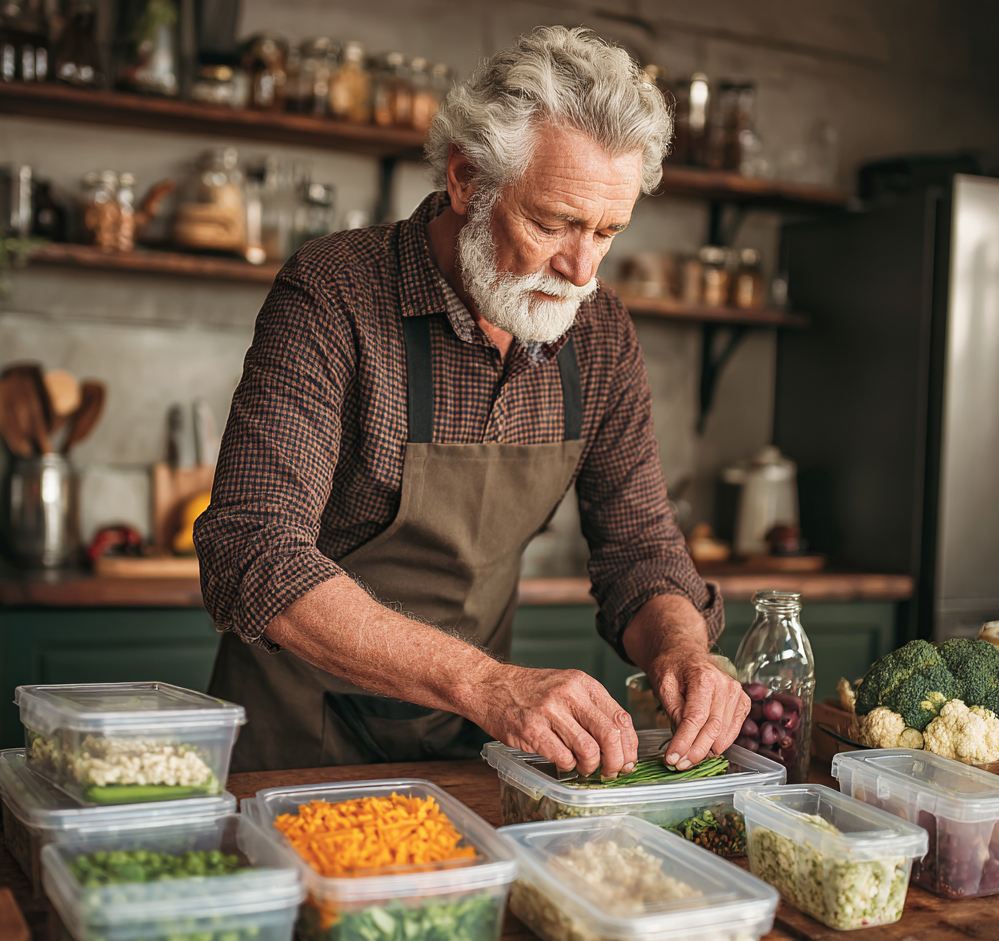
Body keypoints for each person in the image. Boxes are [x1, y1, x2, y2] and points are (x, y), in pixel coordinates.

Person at [194, 26, 749, 776]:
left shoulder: (603, 335)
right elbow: (251, 545)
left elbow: (641, 552)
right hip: (296, 743)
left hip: (474, 744)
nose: (580, 268)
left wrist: (684, 650)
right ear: (465, 179)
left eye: (607, 232)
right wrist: (488, 684)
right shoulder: (336, 293)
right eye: (552, 223)